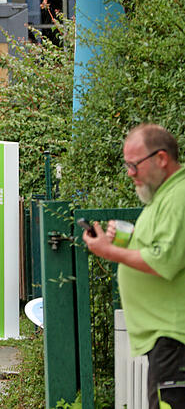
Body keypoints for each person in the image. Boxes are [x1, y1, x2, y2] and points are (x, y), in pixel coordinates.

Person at [83, 124, 185, 409]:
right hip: (166, 340)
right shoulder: (164, 197)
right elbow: (157, 250)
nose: (129, 172)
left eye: (134, 164)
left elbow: (163, 260)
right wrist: (123, 244)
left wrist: (111, 251)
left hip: (174, 339)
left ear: (161, 159)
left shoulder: (179, 197)